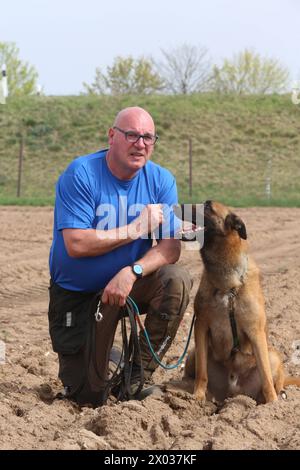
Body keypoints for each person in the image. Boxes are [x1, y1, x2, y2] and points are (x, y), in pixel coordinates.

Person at [48, 106, 192, 407]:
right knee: (88, 396)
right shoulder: (81, 173)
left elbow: (171, 248)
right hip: (80, 296)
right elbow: (76, 243)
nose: (140, 144)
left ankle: (135, 375)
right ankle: (106, 359)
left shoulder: (162, 180)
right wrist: (136, 228)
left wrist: (133, 271)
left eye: (148, 137)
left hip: (127, 288)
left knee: (176, 280)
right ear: (112, 136)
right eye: (131, 135)